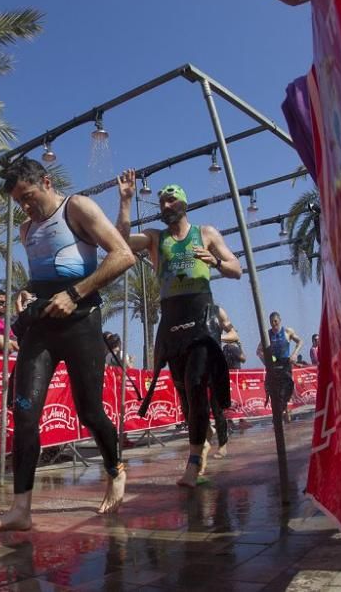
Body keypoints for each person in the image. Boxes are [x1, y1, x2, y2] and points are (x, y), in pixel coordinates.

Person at [0, 157, 135, 531]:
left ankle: (115, 469)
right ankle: (21, 509)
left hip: (82, 325)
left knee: (90, 411)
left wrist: (77, 292)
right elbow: (42, 277)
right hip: (41, 330)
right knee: (25, 413)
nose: (27, 207)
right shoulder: (25, 230)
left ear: (47, 182)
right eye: (20, 202)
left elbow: (124, 255)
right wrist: (25, 292)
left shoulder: (77, 207)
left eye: (30, 197)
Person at [116, 169, 242, 488]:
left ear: (183, 202)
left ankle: (194, 462)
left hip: (200, 317)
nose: (166, 203)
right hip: (171, 321)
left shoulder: (206, 233)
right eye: (162, 200)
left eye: (171, 198)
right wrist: (127, 201)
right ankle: (203, 438)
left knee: (198, 382)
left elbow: (236, 269)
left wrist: (214, 262)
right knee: (185, 393)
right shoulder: (155, 239)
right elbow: (117, 241)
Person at [256, 311, 302, 421]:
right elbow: (258, 351)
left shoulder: (287, 331)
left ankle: (283, 411)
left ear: (280, 320)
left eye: (275, 321)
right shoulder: (267, 335)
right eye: (271, 322)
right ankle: (281, 413)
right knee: (276, 392)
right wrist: (266, 362)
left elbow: (300, 341)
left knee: (287, 389)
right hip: (274, 365)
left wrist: (295, 354)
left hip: (286, 363)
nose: (274, 324)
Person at [211, 306, 242, 459]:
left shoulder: (218, 311)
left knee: (217, 408)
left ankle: (222, 445)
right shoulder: (190, 309)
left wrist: (217, 337)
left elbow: (234, 335)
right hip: (197, 364)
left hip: (215, 364)